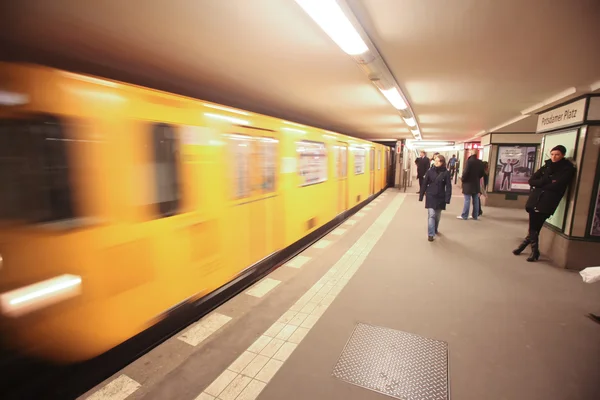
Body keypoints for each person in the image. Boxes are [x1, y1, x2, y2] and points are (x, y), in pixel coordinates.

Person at [513, 145, 575, 262]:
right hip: (535, 199)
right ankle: (530, 250)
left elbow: (558, 185)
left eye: (557, 154)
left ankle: (533, 251)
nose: (554, 157)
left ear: (562, 155)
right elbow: (532, 180)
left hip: (548, 201)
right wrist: (545, 182)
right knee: (534, 227)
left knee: (535, 226)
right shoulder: (546, 166)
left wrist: (541, 183)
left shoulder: (567, 169)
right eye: (552, 154)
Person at [419, 154, 452, 241]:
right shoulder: (430, 171)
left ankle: (434, 229)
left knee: (437, 216)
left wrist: (447, 198)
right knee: (431, 215)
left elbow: (448, 186)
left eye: (438, 161)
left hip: (441, 196)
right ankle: (431, 234)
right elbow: (424, 183)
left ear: (442, 162)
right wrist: (421, 195)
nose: (436, 163)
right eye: (435, 161)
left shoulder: (446, 173)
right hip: (431, 195)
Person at [457, 153, 484, 220]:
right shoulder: (480, 162)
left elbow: (466, 172)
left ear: (471, 154)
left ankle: (464, 215)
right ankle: (475, 215)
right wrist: (477, 178)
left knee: (467, 200)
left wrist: (463, 179)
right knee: (476, 200)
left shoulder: (469, 162)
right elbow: (482, 173)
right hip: (476, 183)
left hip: (468, 184)